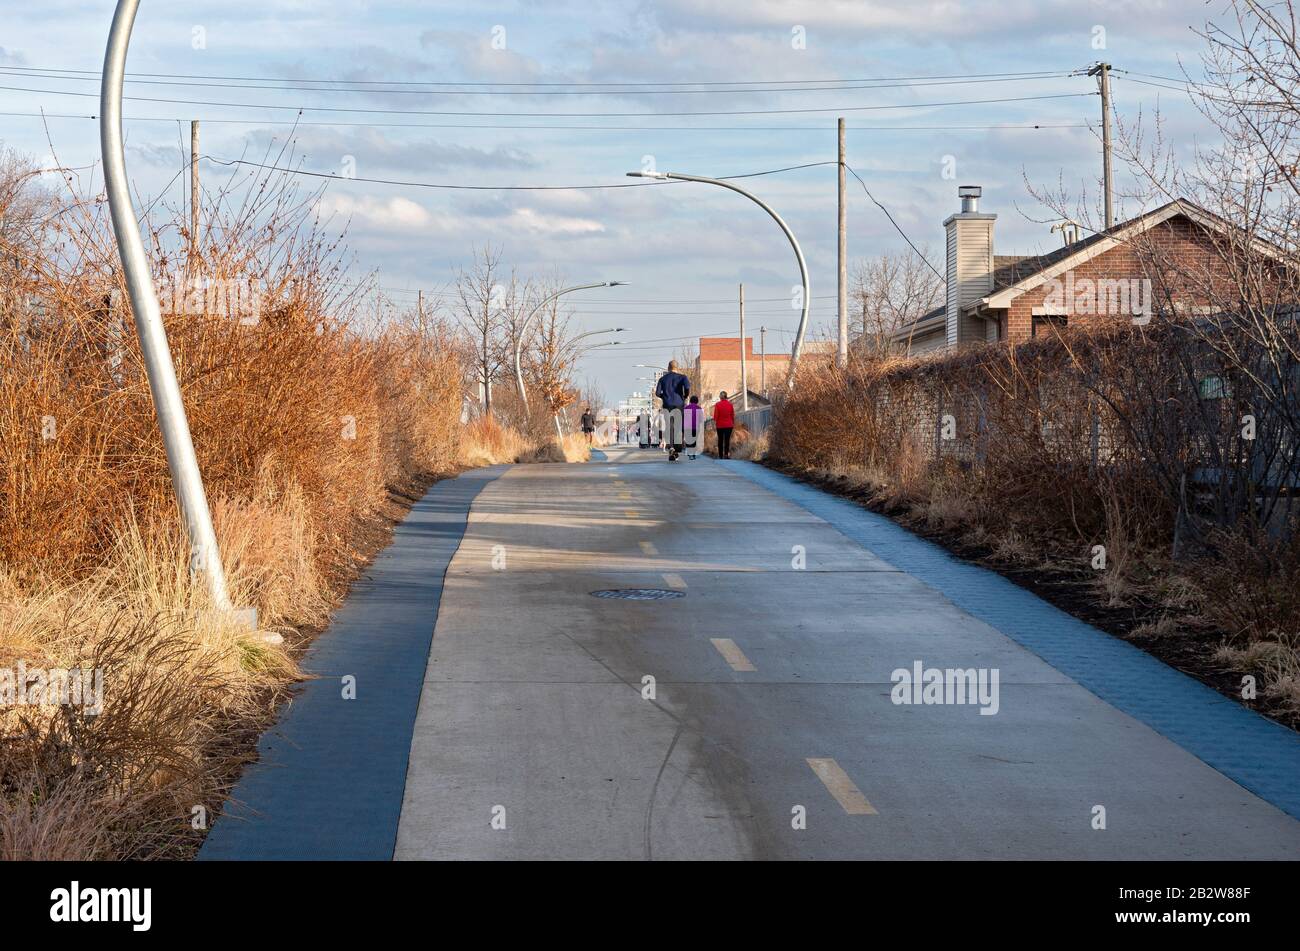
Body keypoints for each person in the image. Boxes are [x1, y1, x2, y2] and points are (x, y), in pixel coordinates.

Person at [653, 360, 691, 461]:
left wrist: (664, 396)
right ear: (677, 367)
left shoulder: (662, 379)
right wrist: (685, 396)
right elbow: (687, 387)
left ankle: (671, 447)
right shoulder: (683, 377)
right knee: (678, 426)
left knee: (669, 427)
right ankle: (677, 448)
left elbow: (657, 393)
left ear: (668, 368)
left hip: (667, 405)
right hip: (679, 405)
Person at [713, 390, 735, 459]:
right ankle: (726, 454)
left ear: (720, 397)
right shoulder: (730, 405)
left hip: (720, 425)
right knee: (727, 440)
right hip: (729, 425)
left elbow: (715, 416)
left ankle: (720, 455)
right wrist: (733, 423)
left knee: (720, 440)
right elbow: (732, 415)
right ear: (726, 396)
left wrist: (715, 422)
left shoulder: (717, 404)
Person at [683, 395, 703, 460]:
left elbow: (683, 418)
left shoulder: (686, 408)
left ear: (690, 401)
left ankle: (690, 454)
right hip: (696, 427)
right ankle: (693, 454)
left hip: (687, 427)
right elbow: (701, 419)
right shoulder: (699, 409)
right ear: (697, 401)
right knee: (694, 441)